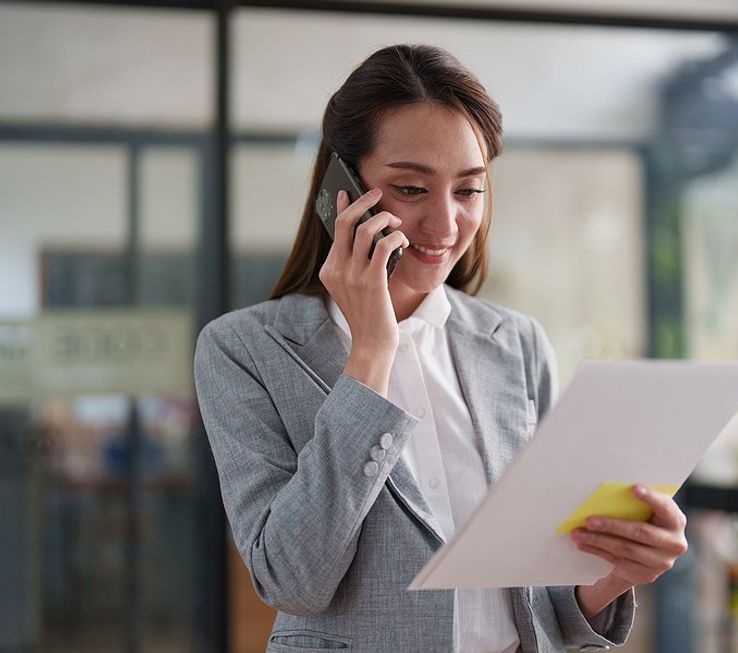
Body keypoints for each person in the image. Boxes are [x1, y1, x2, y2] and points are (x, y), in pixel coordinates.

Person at [194, 43, 688, 653]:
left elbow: (539, 594)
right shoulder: (246, 350)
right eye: (410, 188)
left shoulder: (516, 345)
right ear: (340, 191)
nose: (446, 225)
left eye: (469, 190)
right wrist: (374, 349)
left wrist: (616, 569)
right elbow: (291, 579)